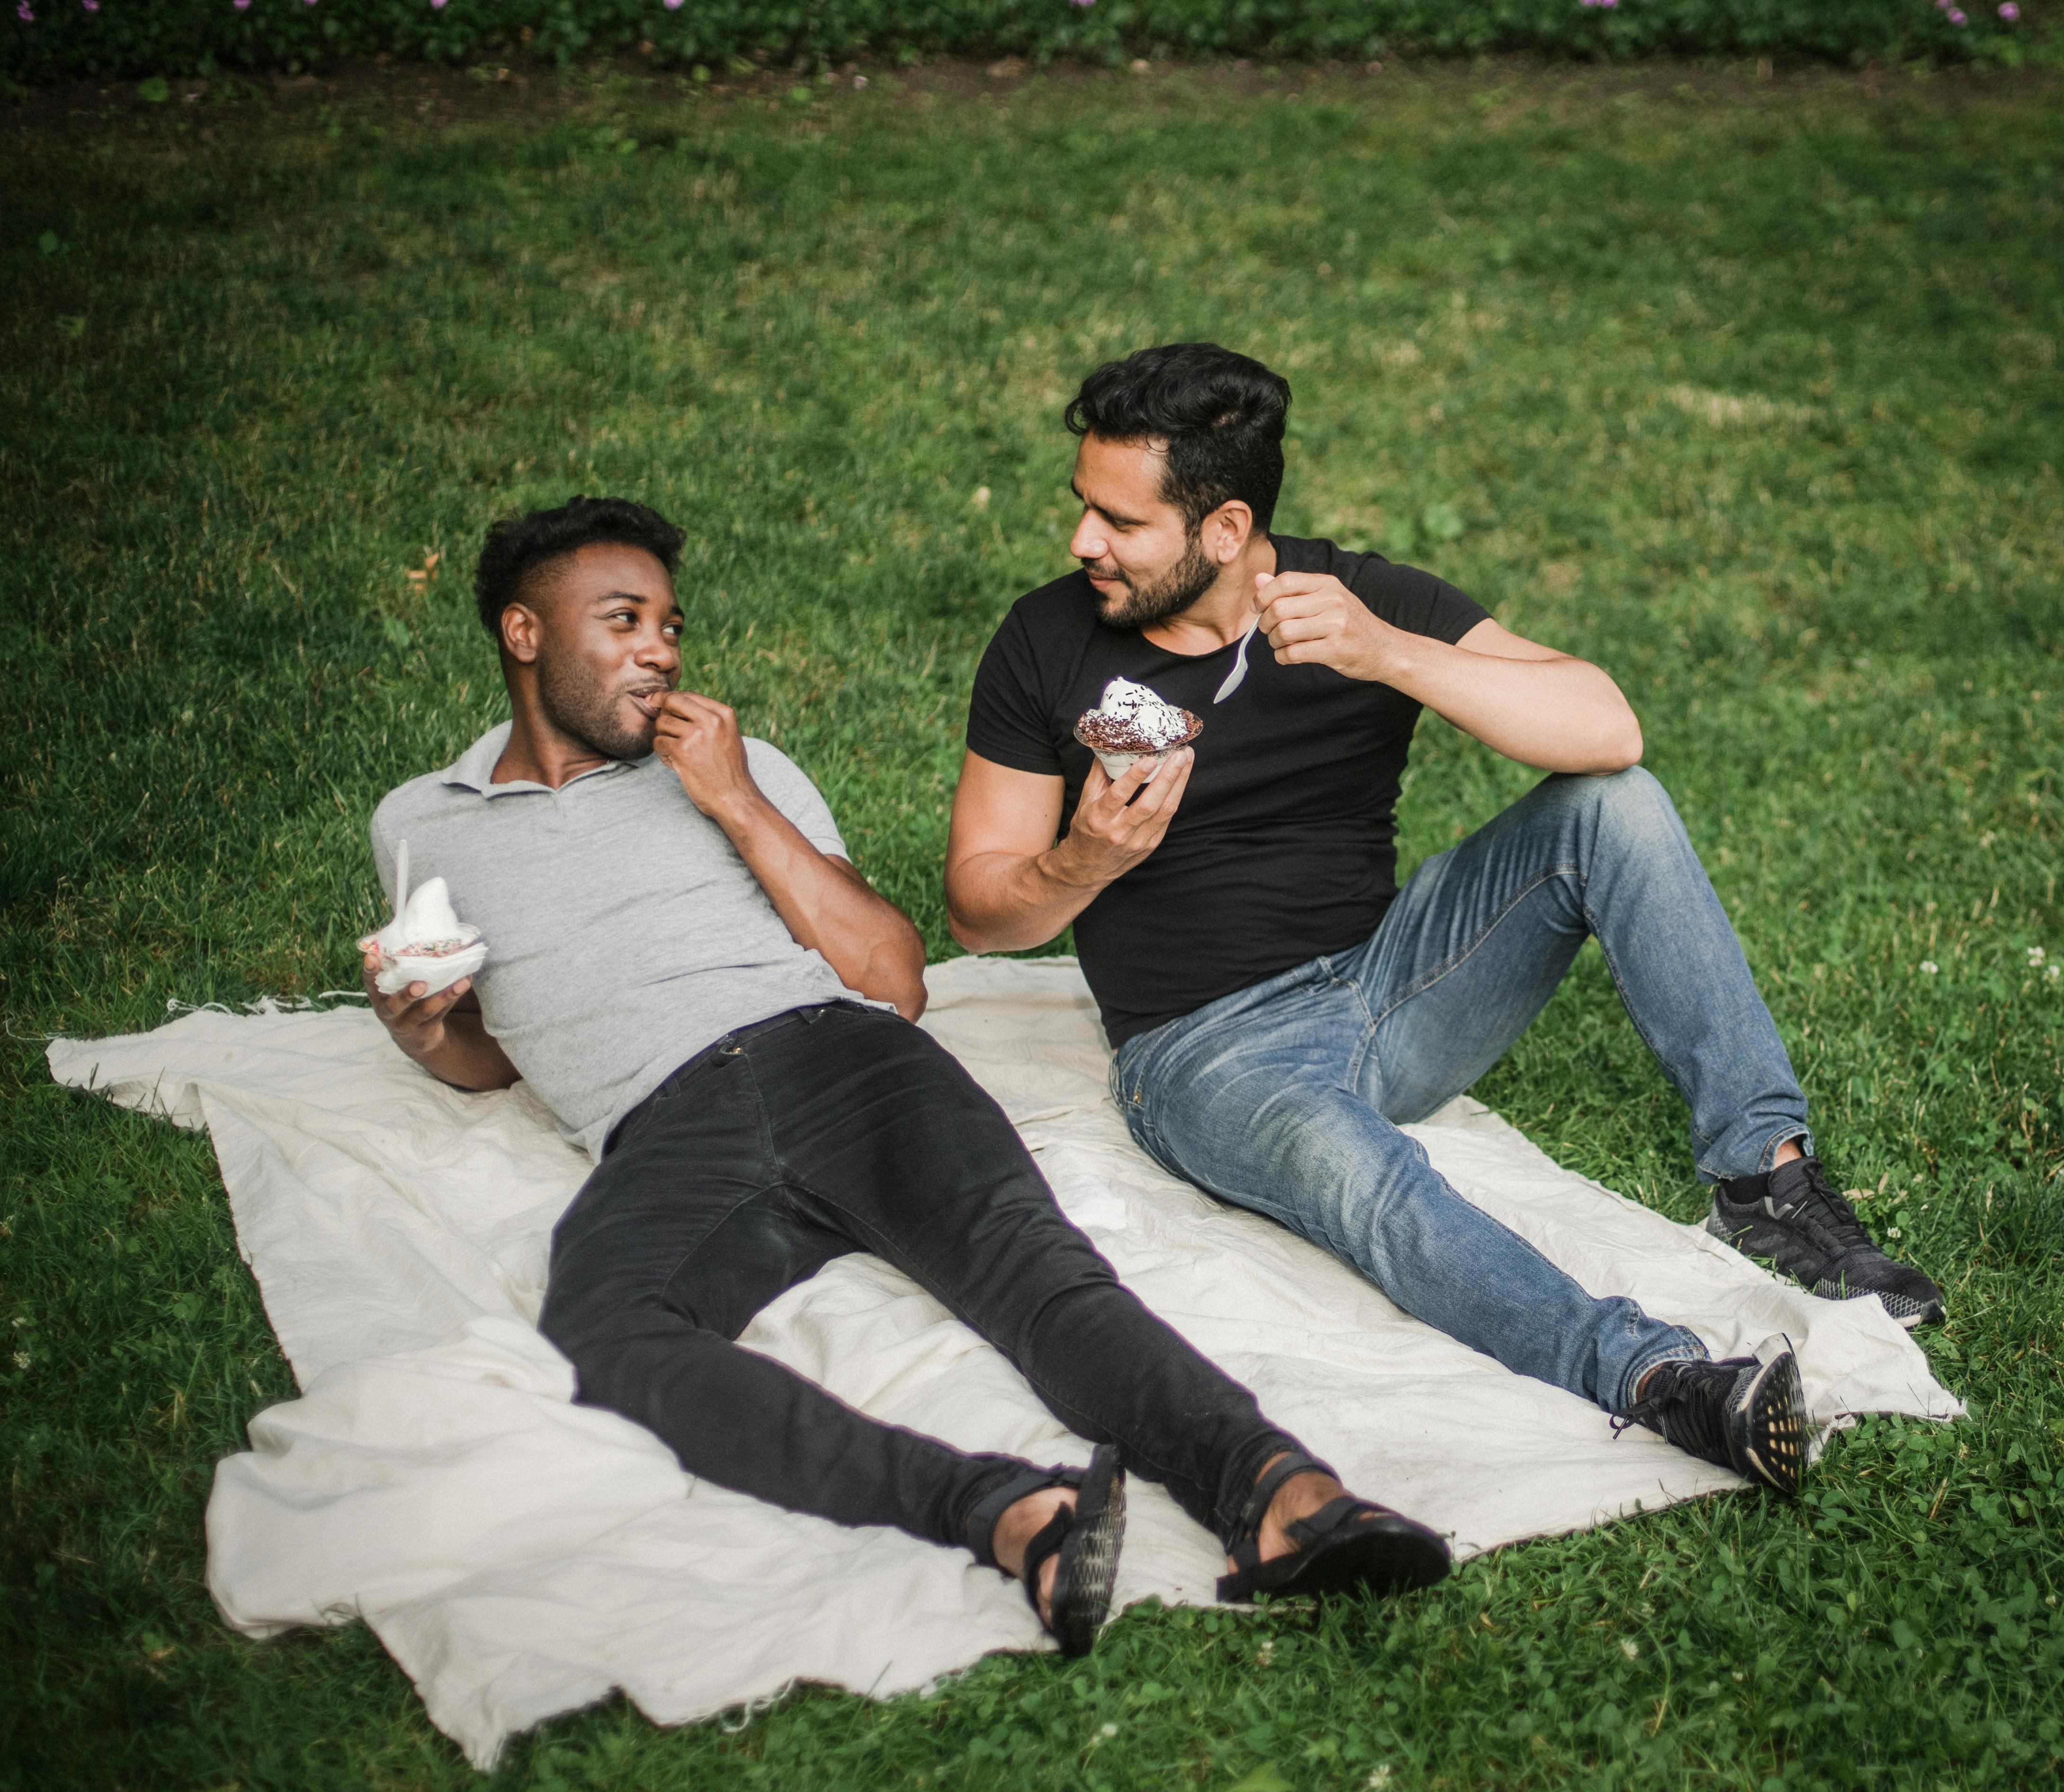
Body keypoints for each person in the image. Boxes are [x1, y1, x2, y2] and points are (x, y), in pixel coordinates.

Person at [361, 495, 1447, 1654]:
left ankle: (1280, 1493)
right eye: (624, 621)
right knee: (605, 1337)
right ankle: (1006, 1510)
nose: (661, 651)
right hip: (660, 1128)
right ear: (526, 635)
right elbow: (491, 1051)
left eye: (671, 625)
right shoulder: (424, 823)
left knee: (1041, 1282)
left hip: (844, 1058)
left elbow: (893, 976)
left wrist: (732, 798)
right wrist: (426, 1035)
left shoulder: (743, 765)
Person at [943, 343, 1948, 1499]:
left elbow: (1609, 729)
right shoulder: (1045, 640)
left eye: (1119, 521)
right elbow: (981, 912)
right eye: (1084, 507)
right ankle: (1657, 1374)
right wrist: (1084, 860)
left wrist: (1391, 653)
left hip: (1392, 982)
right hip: (1207, 1046)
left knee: (1611, 806)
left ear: (1225, 528)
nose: (1083, 542)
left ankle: (1767, 1180)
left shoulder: (1355, 600)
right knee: (1362, 1175)